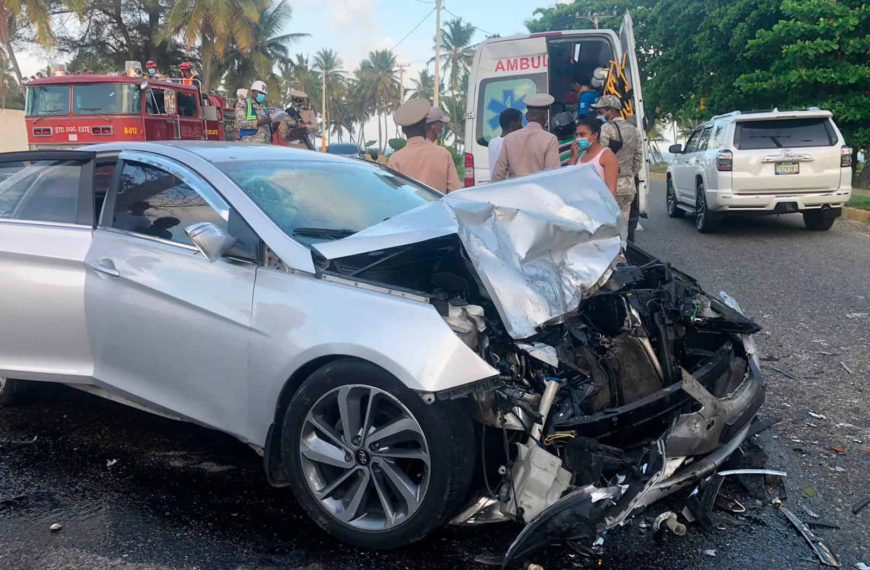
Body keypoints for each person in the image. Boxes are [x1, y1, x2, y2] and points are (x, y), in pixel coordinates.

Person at [388, 99, 461, 194]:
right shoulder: (444, 154)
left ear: (404, 130)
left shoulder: (395, 159)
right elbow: (456, 193)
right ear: (424, 127)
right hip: (438, 209)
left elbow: (393, 195)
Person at [594, 95, 644, 230]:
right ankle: (623, 250)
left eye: (601, 112)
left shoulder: (606, 128)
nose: (600, 115)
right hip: (628, 186)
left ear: (611, 111)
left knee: (608, 227)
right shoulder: (634, 130)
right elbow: (638, 159)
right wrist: (628, 175)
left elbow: (601, 157)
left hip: (611, 186)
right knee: (623, 226)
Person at [492, 93, 560, 182]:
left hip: (515, 193)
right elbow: (552, 174)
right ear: (546, 117)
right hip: (538, 193)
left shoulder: (509, 138)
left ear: (527, 116)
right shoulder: (550, 139)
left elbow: (498, 174)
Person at [569, 117, 619, 198]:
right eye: (577, 135)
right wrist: (572, 157)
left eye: (582, 134)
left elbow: (611, 190)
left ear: (595, 135)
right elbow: (570, 179)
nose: (578, 138)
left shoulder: (607, 155)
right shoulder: (581, 155)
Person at [488, 108, 523, 179]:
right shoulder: (513, 142)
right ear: (513, 124)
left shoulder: (492, 142)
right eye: (520, 123)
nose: (522, 127)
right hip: (508, 186)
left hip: (495, 184)